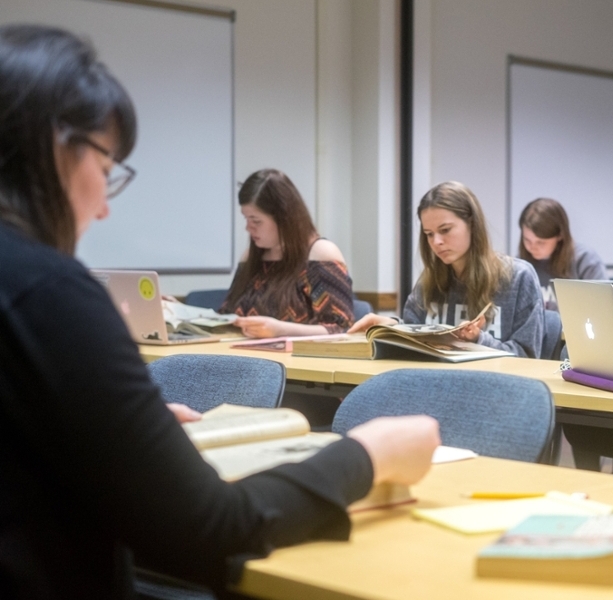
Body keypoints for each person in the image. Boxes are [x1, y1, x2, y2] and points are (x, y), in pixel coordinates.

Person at [0, 25, 439, 599]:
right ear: (57, 146)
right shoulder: (50, 293)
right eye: (107, 171)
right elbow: (210, 529)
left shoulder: (318, 254)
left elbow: (337, 327)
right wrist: (364, 455)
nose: (104, 207)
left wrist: (114, 419)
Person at [350, 181, 544, 358]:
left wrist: (479, 340)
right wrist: (392, 328)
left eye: (445, 230)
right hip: (434, 385)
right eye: (429, 234)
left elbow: (527, 356)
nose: (436, 242)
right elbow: (414, 338)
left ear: (472, 224)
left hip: (495, 390)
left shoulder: (518, 277)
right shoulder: (429, 281)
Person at [221, 168, 355, 338]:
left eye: (256, 221)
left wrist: (281, 330)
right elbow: (228, 315)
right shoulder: (251, 257)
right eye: (246, 219)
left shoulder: (319, 255)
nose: (248, 228)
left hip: (299, 361)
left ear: (284, 219)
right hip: (243, 358)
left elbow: (342, 329)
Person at [518, 197, 606, 310]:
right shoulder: (521, 265)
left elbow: (603, 307)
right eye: (527, 240)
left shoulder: (585, 260)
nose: (532, 247)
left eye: (541, 242)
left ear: (560, 235)